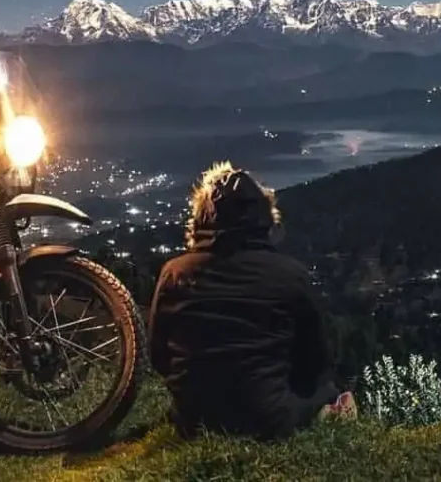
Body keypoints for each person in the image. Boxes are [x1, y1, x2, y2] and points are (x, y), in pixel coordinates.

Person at [148, 161, 347, 441]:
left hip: (192, 422)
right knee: (327, 388)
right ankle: (333, 414)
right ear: (266, 218)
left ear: (201, 218)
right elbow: (316, 359)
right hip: (267, 420)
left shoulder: (175, 273)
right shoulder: (290, 275)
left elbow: (159, 356)